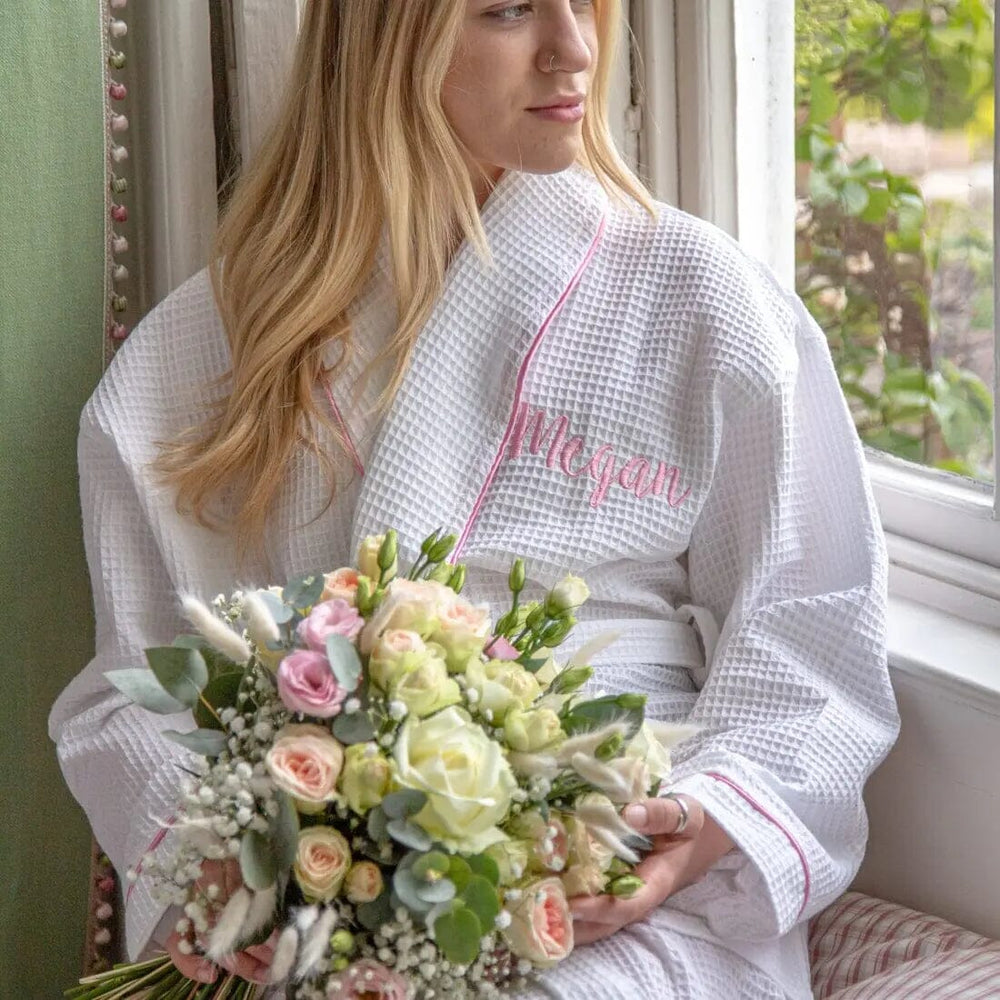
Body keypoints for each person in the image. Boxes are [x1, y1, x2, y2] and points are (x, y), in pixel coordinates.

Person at [50, 1, 900, 997]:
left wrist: (711, 818)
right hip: (331, 911)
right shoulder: (200, 353)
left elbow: (811, 624)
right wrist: (222, 861)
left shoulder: (699, 294)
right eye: (506, 10)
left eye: (587, 3)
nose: (574, 49)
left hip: (624, 904)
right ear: (382, 39)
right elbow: (131, 688)